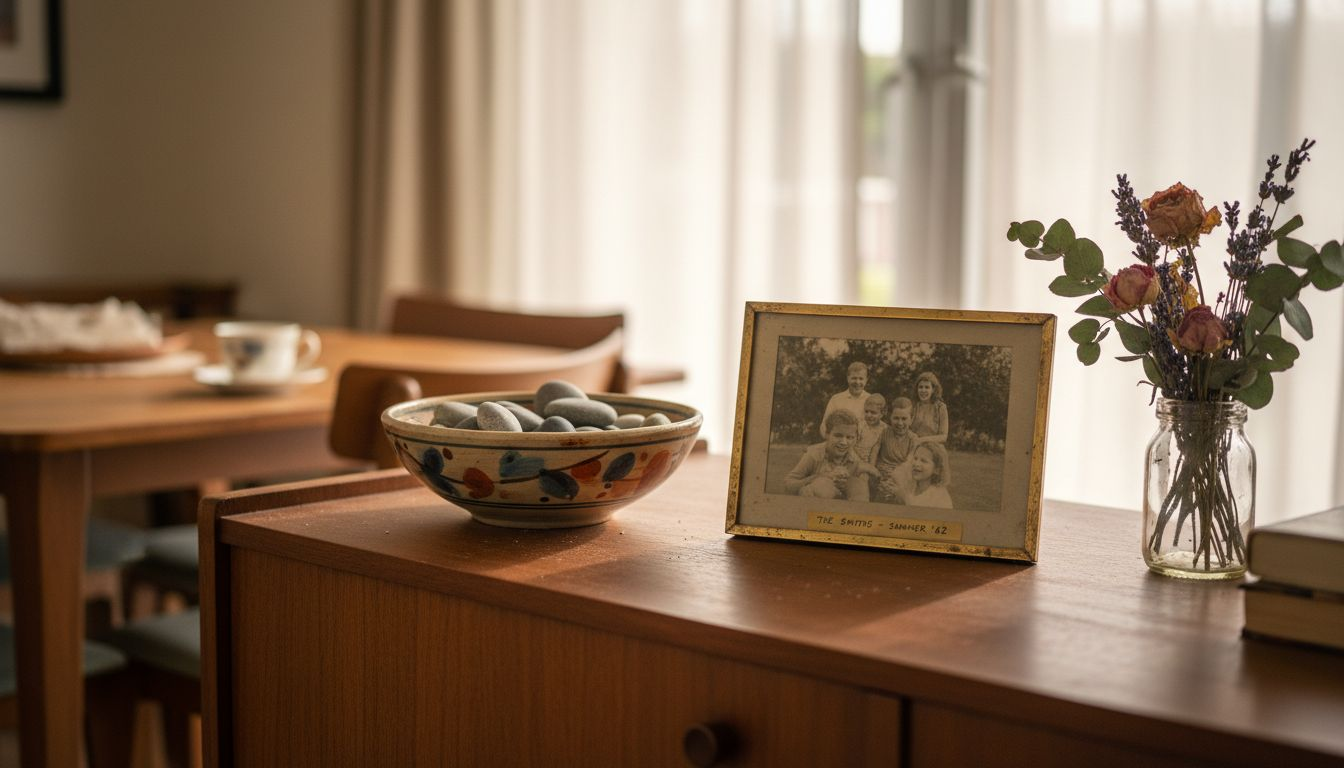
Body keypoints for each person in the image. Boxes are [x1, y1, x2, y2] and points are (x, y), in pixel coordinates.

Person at [784, 409, 877, 501]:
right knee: (823, 485)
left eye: (849, 437)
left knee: (859, 487)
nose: (844, 442)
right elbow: (788, 485)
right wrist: (819, 477)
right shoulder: (814, 454)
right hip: (813, 500)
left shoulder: (853, 458)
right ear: (827, 434)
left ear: (855, 438)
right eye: (838, 436)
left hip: (839, 503)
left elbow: (861, 490)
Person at [872, 397, 916, 503]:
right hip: (881, 472)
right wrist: (872, 468)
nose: (900, 423)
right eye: (896, 418)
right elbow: (875, 450)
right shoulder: (884, 432)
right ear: (890, 417)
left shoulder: (913, 438)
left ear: (911, 419)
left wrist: (895, 476)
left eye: (904, 419)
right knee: (879, 493)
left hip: (901, 474)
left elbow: (909, 461)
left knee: (898, 494)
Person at [821, 361, 870, 438]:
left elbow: (877, 427)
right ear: (848, 378)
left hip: (865, 443)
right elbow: (824, 426)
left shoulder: (871, 400)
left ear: (866, 380)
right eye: (854, 378)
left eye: (861, 378)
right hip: (840, 443)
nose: (857, 382)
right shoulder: (836, 399)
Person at [906, 442, 953, 509]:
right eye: (915, 458)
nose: (916, 464)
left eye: (923, 461)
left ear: (936, 469)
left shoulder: (939, 497)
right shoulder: (909, 486)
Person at [911, 371, 949, 446]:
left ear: (933, 390)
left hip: (934, 447)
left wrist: (921, 440)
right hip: (914, 446)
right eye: (920, 387)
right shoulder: (914, 406)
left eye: (927, 387)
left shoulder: (940, 407)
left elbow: (943, 437)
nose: (923, 390)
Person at [856, 393, 887, 465]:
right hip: (857, 460)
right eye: (866, 411)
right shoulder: (860, 426)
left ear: (882, 413)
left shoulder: (885, 429)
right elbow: (851, 447)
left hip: (875, 462)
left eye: (873, 412)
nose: (868, 415)